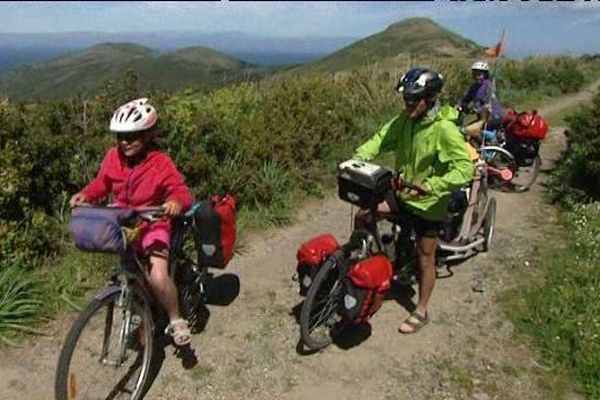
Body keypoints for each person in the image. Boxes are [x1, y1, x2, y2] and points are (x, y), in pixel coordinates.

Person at [353, 68, 475, 334]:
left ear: (430, 99)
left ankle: (421, 309)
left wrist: (433, 186)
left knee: (425, 257)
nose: (408, 105)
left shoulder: (444, 129)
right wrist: (357, 158)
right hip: (402, 193)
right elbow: (381, 139)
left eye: (414, 100)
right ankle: (371, 266)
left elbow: (465, 168)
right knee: (363, 215)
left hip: (428, 203)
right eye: (406, 99)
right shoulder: (406, 120)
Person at [69, 98, 194, 346]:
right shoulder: (113, 157)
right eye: (120, 136)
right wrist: (87, 194)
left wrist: (176, 203)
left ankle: (175, 318)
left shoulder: (160, 162)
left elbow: (181, 192)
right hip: (124, 225)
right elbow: (102, 183)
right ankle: (146, 319)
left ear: (148, 135)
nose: (125, 141)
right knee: (132, 277)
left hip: (153, 223)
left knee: (157, 274)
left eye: (132, 135)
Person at [456, 61, 504, 136]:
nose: (476, 76)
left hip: (493, 117)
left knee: (468, 130)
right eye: (474, 74)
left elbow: (488, 103)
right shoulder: (473, 86)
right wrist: (459, 105)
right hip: (481, 119)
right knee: (465, 131)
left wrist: (477, 109)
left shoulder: (488, 85)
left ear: (485, 75)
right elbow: (465, 98)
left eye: (479, 74)